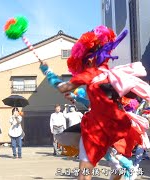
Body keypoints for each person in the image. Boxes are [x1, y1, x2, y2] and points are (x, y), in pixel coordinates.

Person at [40, 25, 150, 180]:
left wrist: (47, 71)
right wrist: (76, 97)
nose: (84, 64)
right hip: (116, 127)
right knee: (115, 165)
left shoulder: (91, 73)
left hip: (96, 130)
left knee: (85, 171)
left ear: (91, 59)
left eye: (85, 61)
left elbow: (62, 86)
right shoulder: (111, 74)